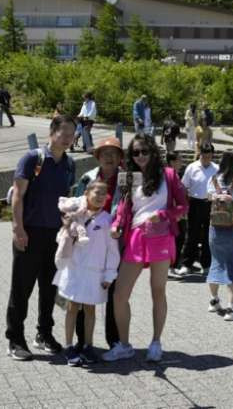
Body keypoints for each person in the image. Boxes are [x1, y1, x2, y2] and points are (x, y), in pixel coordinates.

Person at [104, 134, 188, 362]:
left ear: (153, 151)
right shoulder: (129, 177)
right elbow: (122, 207)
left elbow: (183, 207)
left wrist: (163, 214)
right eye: (135, 152)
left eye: (144, 151)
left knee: (157, 291)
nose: (140, 156)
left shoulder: (168, 175)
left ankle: (156, 342)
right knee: (120, 294)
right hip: (135, 237)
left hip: (160, 236)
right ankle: (124, 344)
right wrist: (116, 224)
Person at [6, 115, 77, 361]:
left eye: (72, 135)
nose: (68, 139)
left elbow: (66, 198)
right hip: (30, 231)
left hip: (56, 235)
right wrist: (18, 228)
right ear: (52, 132)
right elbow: (17, 195)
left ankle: (44, 334)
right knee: (21, 288)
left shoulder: (69, 164)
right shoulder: (32, 159)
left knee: (50, 288)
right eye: (64, 133)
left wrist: (69, 223)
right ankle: (15, 339)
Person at [53, 179, 120, 366]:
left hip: (94, 273)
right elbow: (61, 239)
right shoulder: (74, 215)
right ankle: (68, 346)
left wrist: (109, 275)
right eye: (96, 192)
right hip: (74, 270)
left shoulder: (107, 220)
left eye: (103, 194)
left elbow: (112, 251)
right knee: (71, 308)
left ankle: (88, 346)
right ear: (87, 193)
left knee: (90, 309)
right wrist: (67, 227)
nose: (99, 197)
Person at [69, 137, 126, 350]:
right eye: (105, 153)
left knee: (113, 294)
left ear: (120, 158)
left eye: (114, 153)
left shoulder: (127, 180)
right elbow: (75, 206)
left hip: (114, 245)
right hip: (88, 244)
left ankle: (114, 340)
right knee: (84, 294)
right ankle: (83, 342)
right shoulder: (88, 178)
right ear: (98, 156)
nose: (109, 157)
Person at [206, 151, 233, 320]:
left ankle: (214, 301)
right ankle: (232, 309)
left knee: (216, 262)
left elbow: (209, 197)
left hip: (215, 227)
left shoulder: (213, 179)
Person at [175, 142, 218, 275]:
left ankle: (206, 265)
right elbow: (183, 186)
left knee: (208, 236)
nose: (207, 159)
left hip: (210, 204)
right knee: (191, 235)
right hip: (194, 203)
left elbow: (220, 187)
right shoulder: (192, 167)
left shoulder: (216, 168)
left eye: (209, 156)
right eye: (205, 156)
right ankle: (187, 264)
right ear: (201, 154)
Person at [164, 152, 189, 276]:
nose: (182, 162)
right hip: (175, 214)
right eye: (179, 159)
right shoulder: (169, 174)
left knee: (180, 238)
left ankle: (172, 266)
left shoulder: (176, 174)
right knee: (176, 239)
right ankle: (169, 266)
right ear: (172, 162)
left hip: (179, 213)